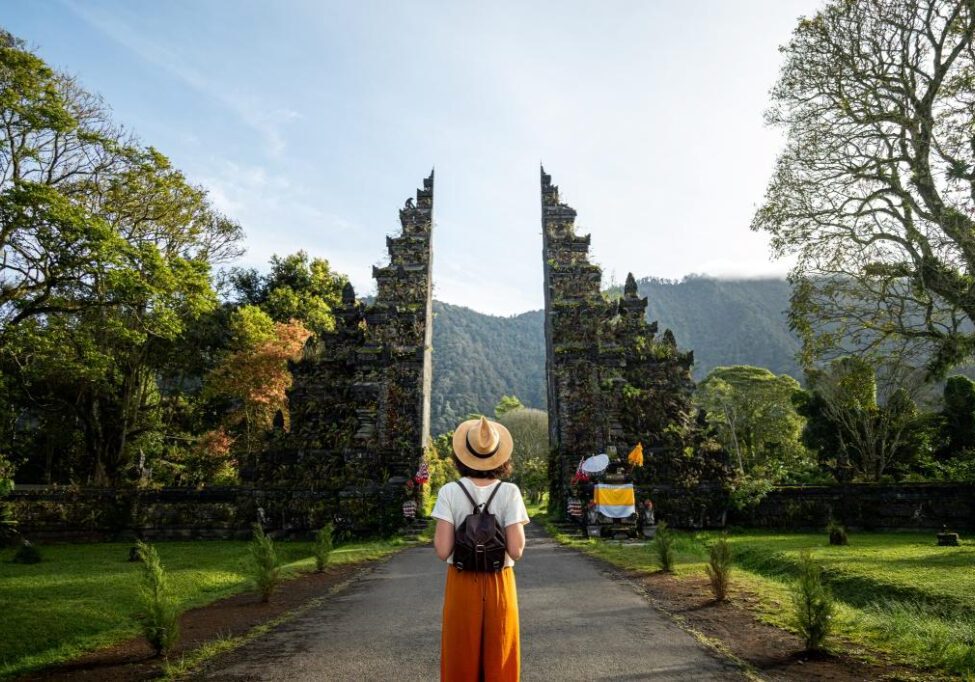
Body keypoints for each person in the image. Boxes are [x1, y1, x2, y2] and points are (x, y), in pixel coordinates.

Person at [432, 416, 530, 681]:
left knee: (460, 657)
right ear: (500, 457)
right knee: (501, 655)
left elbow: (442, 550)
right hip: (500, 581)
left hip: (462, 580)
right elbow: (516, 549)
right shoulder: (510, 492)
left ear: (462, 456)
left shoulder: (449, 492)